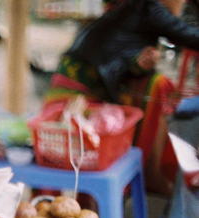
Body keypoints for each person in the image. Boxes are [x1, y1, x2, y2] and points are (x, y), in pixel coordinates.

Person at [44, 0, 199, 197]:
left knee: (82, 155)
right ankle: (147, 175)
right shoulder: (149, 7)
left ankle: (99, 203)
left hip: (71, 78)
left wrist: (138, 63)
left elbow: (117, 52)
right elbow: (190, 36)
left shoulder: (129, 9)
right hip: (77, 87)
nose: (183, 4)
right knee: (81, 152)